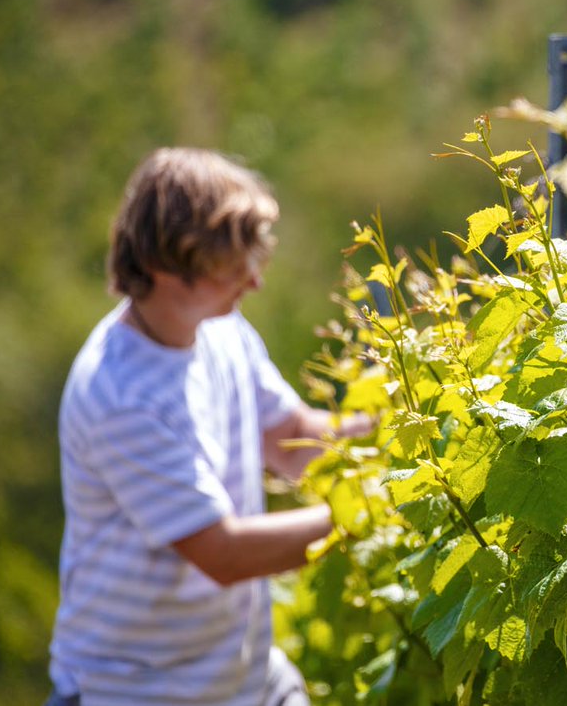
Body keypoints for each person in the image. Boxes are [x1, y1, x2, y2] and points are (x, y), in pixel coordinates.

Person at [47, 148, 371, 705]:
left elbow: (293, 440)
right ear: (166, 269)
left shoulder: (221, 330)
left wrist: (403, 424)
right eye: (232, 267)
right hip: (135, 691)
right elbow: (223, 552)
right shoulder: (120, 394)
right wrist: (370, 512)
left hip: (239, 681)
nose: (254, 283)